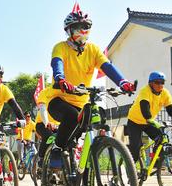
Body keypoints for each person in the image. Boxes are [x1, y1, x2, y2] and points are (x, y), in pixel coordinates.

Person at [49, 9, 136, 166]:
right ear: (69, 31)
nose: (82, 32)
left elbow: (107, 67)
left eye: (85, 28)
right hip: (59, 99)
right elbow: (57, 63)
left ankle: (84, 163)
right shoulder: (60, 47)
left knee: (97, 116)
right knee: (71, 116)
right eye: (77, 29)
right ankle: (56, 148)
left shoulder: (93, 49)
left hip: (82, 103)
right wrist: (60, 79)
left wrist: (122, 82)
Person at [127, 71, 172, 162]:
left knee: (161, 138)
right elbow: (144, 106)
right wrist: (149, 118)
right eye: (157, 82)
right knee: (135, 147)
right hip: (135, 121)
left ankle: (156, 161)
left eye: (162, 82)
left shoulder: (165, 93)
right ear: (150, 83)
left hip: (148, 122)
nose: (160, 85)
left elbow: (171, 109)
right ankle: (131, 170)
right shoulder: (145, 91)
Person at [35, 86, 60, 166]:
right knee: (49, 136)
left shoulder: (66, 93)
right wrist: (47, 122)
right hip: (42, 124)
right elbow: (42, 108)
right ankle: (41, 158)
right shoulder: (45, 92)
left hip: (58, 125)